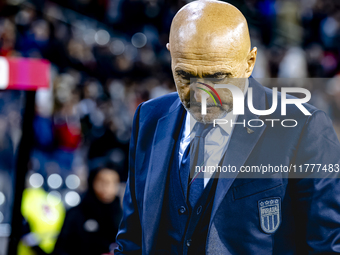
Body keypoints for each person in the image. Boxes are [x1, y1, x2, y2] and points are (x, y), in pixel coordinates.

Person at [115, 0, 340, 254]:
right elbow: (132, 240)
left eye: (218, 77)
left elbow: (326, 246)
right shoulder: (149, 118)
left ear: (250, 62)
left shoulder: (303, 127)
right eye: (185, 76)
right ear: (170, 53)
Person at [53, 165, 122, 255]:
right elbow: (60, 249)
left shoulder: (123, 216)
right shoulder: (76, 214)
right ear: (92, 182)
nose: (108, 187)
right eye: (103, 182)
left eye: (114, 182)